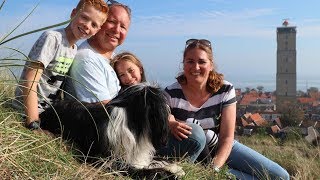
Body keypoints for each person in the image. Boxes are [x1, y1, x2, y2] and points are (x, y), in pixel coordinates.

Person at [164, 38, 290, 179]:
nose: (196, 67)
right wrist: (171, 122)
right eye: (190, 61)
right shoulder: (170, 93)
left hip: (222, 146)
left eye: (202, 62)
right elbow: (165, 114)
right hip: (193, 154)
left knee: (281, 176)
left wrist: (215, 167)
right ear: (183, 64)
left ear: (211, 65)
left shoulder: (225, 90)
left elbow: (227, 137)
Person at [13, 0, 108, 130]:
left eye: (94, 24)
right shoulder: (53, 39)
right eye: (84, 17)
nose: (87, 26)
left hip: (47, 112)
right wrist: (33, 123)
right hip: (27, 111)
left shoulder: (73, 49)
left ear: (97, 30)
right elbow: (29, 81)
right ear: (73, 13)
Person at [110, 51, 206, 163]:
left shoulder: (151, 92)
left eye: (131, 71)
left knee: (196, 132)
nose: (128, 77)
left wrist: (171, 121)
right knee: (197, 135)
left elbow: (164, 110)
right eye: (122, 75)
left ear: (140, 69)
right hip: (140, 146)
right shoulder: (122, 98)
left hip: (153, 141)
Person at [64, 1, 131, 104]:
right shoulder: (86, 58)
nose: (117, 30)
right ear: (100, 23)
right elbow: (104, 111)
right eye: (112, 21)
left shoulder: (115, 59)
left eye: (123, 27)